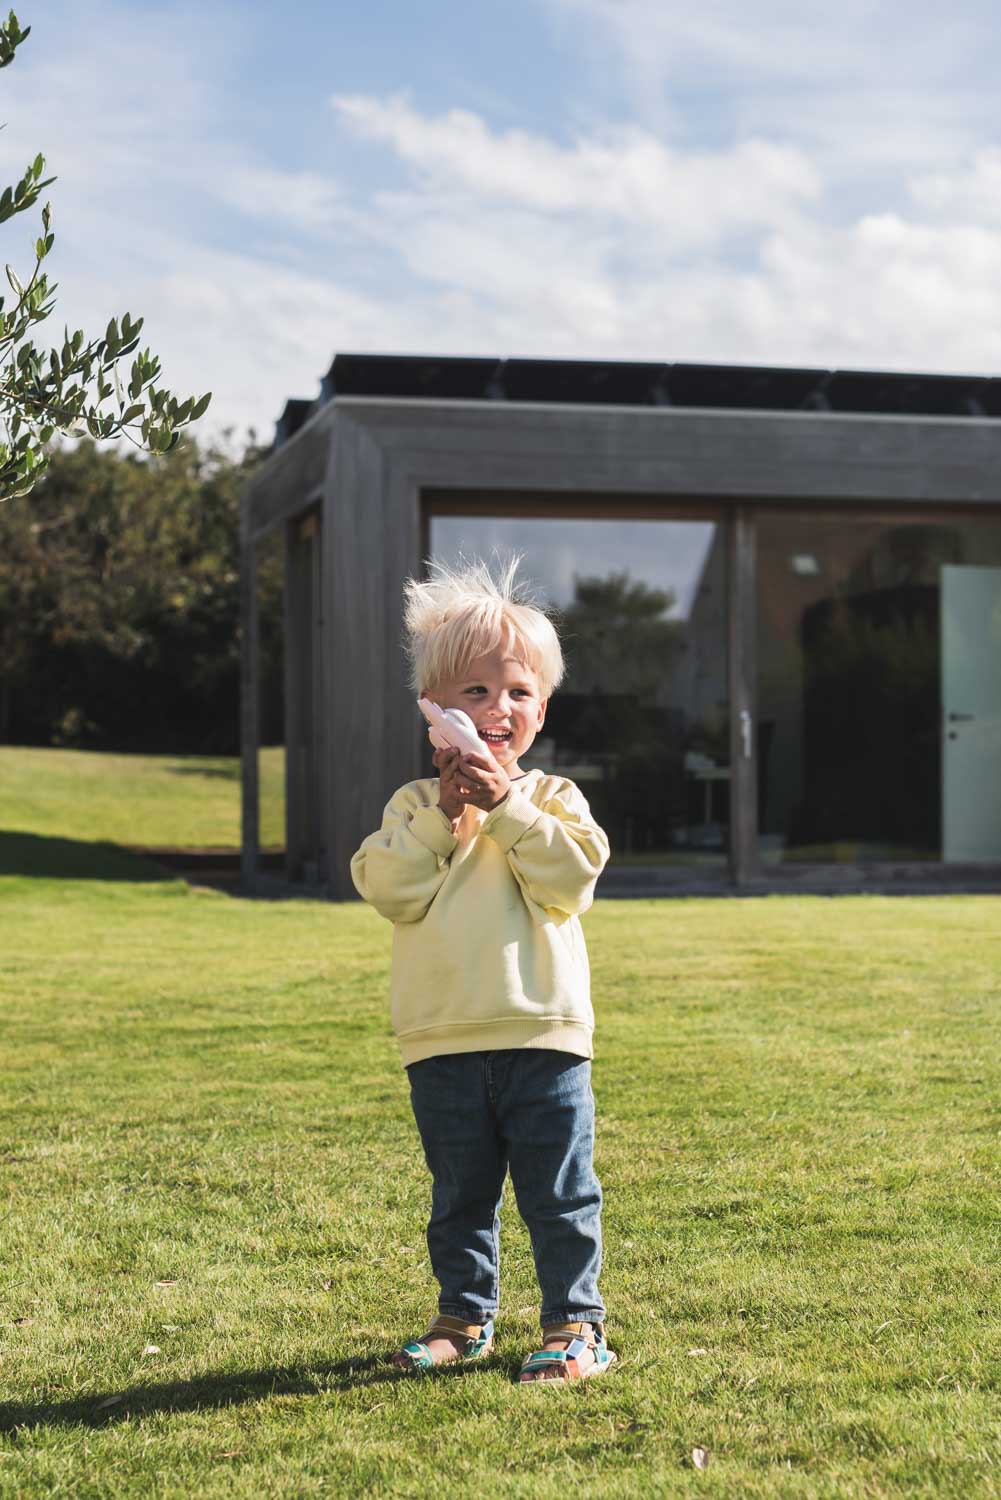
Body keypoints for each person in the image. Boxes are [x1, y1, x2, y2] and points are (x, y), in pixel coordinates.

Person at [350, 555, 617, 1385]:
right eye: (474, 691)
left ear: (541, 708)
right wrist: (447, 814)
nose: (498, 708)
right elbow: (387, 888)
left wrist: (505, 807)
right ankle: (462, 1320)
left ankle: (575, 1326)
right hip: (442, 1039)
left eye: (517, 692)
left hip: (543, 1036)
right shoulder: (413, 808)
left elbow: (571, 879)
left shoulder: (554, 799)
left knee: (558, 1195)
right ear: (433, 708)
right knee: (459, 1197)